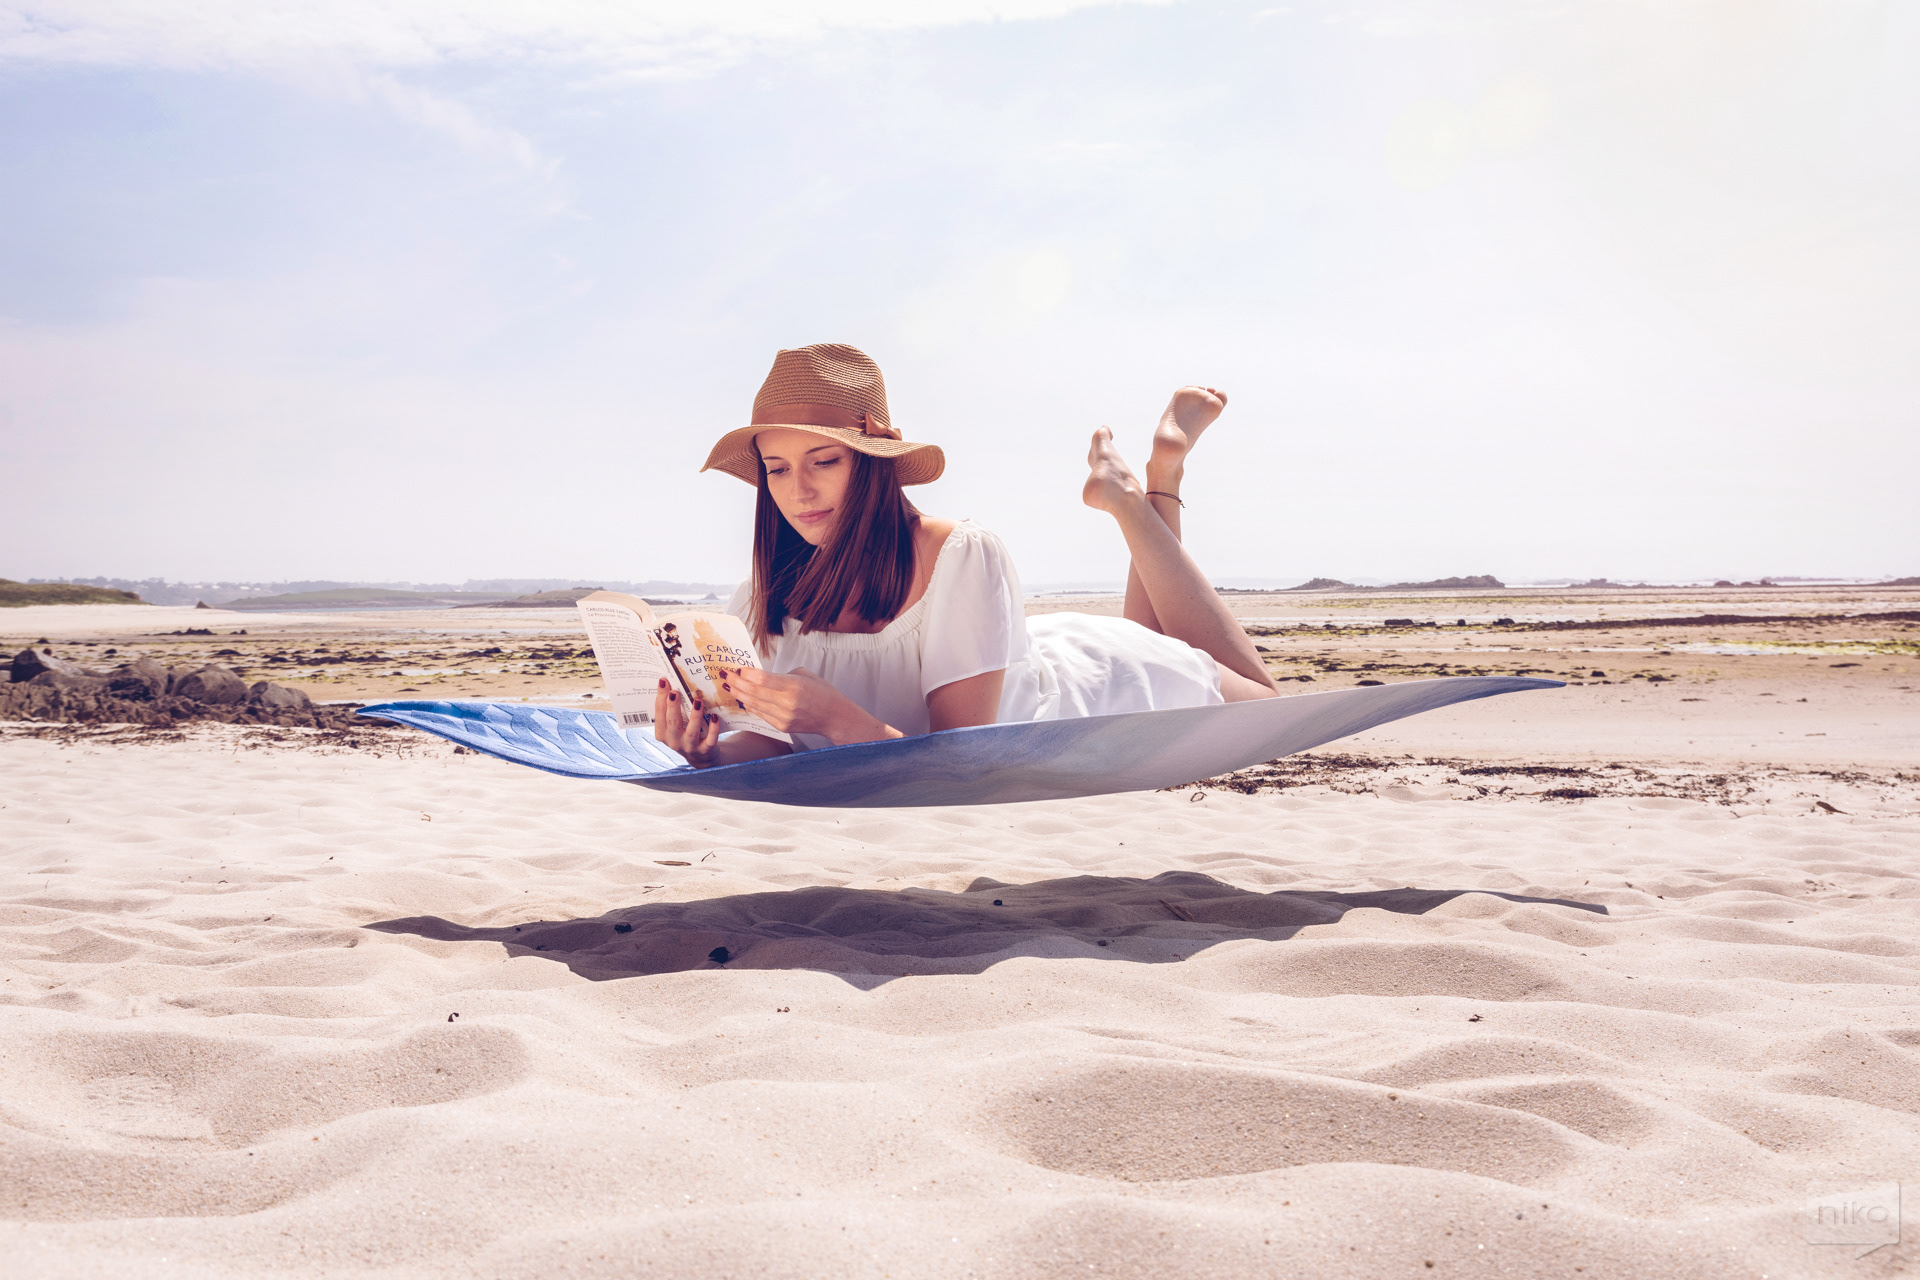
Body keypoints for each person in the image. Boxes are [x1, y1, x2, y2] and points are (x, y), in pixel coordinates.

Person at [654, 343, 1280, 767]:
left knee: (1264, 703)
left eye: (824, 461)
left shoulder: (958, 555)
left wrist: (839, 719)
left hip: (1090, 692)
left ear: (875, 465)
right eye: (778, 469)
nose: (799, 491)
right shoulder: (762, 595)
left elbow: (962, 762)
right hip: (1005, 653)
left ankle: (1145, 488)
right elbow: (773, 750)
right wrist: (703, 750)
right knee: (1154, 628)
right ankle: (1129, 489)